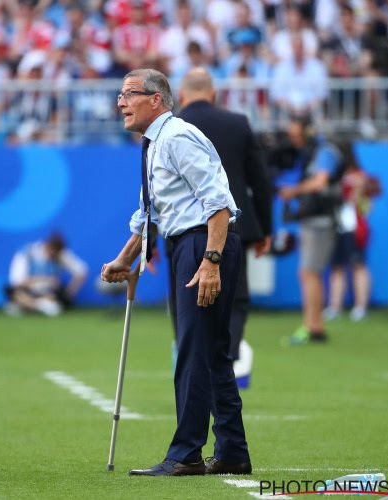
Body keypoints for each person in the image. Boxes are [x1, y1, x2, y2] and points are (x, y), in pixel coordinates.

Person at [101, 68, 250, 476]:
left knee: (193, 349)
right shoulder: (156, 143)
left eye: (129, 94)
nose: (120, 103)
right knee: (213, 350)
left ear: (156, 99)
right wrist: (124, 259)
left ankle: (186, 453)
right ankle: (233, 451)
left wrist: (211, 261)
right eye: (120, 95)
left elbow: (218, 202)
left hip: (203, 243)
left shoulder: (178, 136)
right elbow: (150, 213)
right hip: (190, 242)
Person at [177, 67, 273, 362]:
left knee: (185, 302)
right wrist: (265, 230)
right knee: (235, 298)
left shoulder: (171, 126)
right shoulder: (238, 123)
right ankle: (226, 361)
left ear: (181, 95)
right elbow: (260, 180)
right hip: (234, 227)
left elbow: (156, 188)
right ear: (214, 94)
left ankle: (195, 365)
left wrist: (150, 240)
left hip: (182, 231)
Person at [278, 114, 342, 344]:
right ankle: (314, 326)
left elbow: (320, 182)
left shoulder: (324, 151)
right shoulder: (315, 152)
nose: (294, 140)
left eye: (296, 134)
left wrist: (293, 192)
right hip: (314, 220)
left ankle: (312, 327)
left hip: (321, 221)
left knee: (309, 273)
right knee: (309, 273)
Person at [324, 144, 380, 322]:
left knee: (358, 266)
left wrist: (357, 190)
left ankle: (361, 307)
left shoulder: (360, 177)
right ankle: (335, 306)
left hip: (355, 228)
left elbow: (367, 205)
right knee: (337, 267)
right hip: (337, 227)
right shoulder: (333, 177)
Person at [5, 232, 88, 316]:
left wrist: (69, 294)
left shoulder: (60, 254)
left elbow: (82, 271)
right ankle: (41, 306)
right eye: (52, 252)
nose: (53, 256)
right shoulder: (27, 252)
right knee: (13, 291)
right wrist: (46, 279)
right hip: (28, 291)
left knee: (60, 295)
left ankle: (25, 306)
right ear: (47, 245)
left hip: (49, 292)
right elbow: (16, 282)